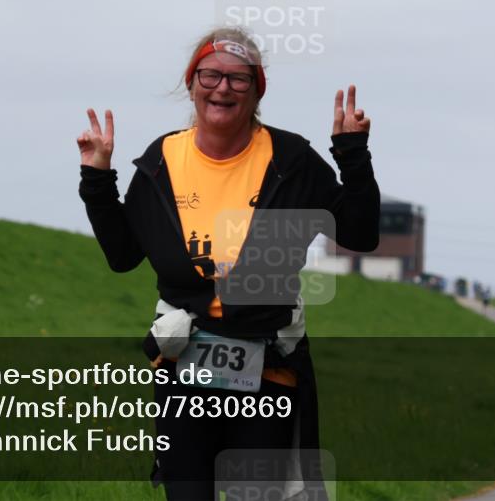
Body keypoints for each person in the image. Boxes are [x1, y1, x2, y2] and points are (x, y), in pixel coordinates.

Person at [77, 27, 380, 500]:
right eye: (211, 75)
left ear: (258, 89)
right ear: (192, 82)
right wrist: (97, 178)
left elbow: (359, 234)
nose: (223, 88)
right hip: (183, 370)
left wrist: (353, 155)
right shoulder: (162, 159)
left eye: (239, 79)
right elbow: (123, 256)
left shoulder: (291, 160)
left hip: (267, 371)